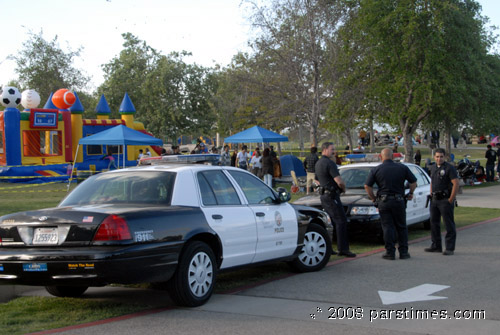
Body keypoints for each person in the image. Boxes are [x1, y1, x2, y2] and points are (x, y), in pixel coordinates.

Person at [364, 148, 416, 260]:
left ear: (380, 156)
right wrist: (411, 193)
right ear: (393, 157)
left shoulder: (376, 170)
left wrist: (373, 198)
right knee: (401, 227)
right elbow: (413, 182)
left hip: (384, 201)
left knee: (387, 227)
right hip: (399, 200)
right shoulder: (402, 168)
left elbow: (367, 186)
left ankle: (390, 252)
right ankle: (403, 252)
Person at [315, 142, 355, 257]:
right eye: (332, 149)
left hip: (324, 195)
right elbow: (339, 181)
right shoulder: (329, 163)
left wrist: (324, 185)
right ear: (325, 149)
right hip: (331, 196)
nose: (334, 152)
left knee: (330, 223)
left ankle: (329, 248)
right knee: (341, 221)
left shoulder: (319, 163)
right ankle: (343, 249)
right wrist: (343, 189)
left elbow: (316, 179)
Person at [425, 148, 459, 255]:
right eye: (437, 156)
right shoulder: (433, 167)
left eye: (441, 156)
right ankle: (436, 245)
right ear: (434, 157)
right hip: (435, 200)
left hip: (445, 200)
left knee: (448, 224)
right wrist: (431, 192)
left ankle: (449, 248)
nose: (439, 159)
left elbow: (456, 183)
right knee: (434, 223)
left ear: (444, 157)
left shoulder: (449, 168)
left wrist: (451, 199)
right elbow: (432, 181)